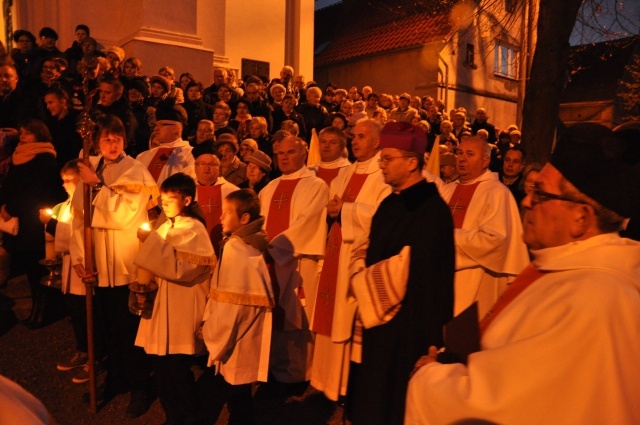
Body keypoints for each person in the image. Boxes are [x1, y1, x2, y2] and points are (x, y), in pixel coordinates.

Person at [406, 122, 640, 425]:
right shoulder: (560, 270)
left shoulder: (592, 299)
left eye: (541, 194)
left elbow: (499, 406)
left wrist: (429, 377)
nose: (527, 201)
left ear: (581, 217)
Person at [346, 122, 454, 425]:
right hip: (378, 320)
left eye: (387, 158)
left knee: (396, 405)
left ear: (411, 162)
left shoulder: (432, 210)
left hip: (410, 328)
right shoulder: (388, 203)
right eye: (381, 158)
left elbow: (434, 280)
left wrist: (434, 339)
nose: (381, 165)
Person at [71, 114, 159, 417]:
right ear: (96, 141)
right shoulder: (92, 167)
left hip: (123, 263)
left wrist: (97, 187)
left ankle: (140, 387)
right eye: (106, 138)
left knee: (129, 330)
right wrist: (82, 260)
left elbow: (124, 214)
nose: (112, 143)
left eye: (117, 138)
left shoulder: (133, 169)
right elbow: (79, 217)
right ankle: (116, 379)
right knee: (106, 329)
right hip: (99, 265)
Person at [310, 118, 391, 402]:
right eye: (353, 136)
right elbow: (334, 206)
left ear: (377, 141)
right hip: (336, 248)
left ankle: (345, 385)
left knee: (347, 318)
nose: (355, 141)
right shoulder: (347, 172)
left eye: (361, 136)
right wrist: (335, 210)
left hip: (357, 255)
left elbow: (385, 216)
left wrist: (346, 209)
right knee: (330, 314)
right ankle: (323, 380)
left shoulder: (384, 173)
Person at [134, 172, 215, 425]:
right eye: (162, 199)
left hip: (182, 307)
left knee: (177, 369)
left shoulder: (194, 229)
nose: (164, 204)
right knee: (161, 368)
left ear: (187, 200)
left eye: (170, 199)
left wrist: (151, 244)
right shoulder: (167, 225)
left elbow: (182, 270)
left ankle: (191, 418)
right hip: (162, 306)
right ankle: (173, 416)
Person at [258, 136, 329, 387]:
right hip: (269, 260)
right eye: (281, 153)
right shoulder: (269, 188)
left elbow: (307, 223)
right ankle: (271, 368)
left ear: (303, 154)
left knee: (296, 316)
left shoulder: (316, 185)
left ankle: (297, 374)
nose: (285, 157)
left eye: (290, 152)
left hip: (298, 260)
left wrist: (273, 248)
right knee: (272, 314)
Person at [200, 189, 274, 424]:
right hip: (243, 334)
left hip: (234, 334)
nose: (221, 218)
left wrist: (213, 333)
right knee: (240, 394)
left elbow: (233, 305)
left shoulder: (237, 249)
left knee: (236, 396)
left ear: (244, 219)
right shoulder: (247, 243)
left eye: (227, 213)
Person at [438, 136, 529, 317]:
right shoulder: (447, 190)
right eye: (460, 153)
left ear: (485, 161)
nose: (462, 158)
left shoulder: (497, 193)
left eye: (470, 154)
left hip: (476, 280)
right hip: (440, 280)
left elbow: (495, 241)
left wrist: (450, 237)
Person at [0, 120, 67, 328]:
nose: (23, 137)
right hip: (21, 222)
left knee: (39, 268)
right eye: (22, 134)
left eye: (28, 134)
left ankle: (44, 310)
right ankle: (37, 307)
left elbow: (36, 192)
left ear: (39, 135)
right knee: (30, 269)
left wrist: (11, 208)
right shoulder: (20, 156)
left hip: (34, 222)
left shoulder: (44, 160)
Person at [39, 160, 93, 382]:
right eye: (63, 181)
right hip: (68, 266)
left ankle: (94, 358)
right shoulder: (65, 204)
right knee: (75, 312)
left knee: (86, 313)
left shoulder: (83, 203)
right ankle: (82, 349)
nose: (64, 185)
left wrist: (50, 225)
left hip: (81, 266)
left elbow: (76, 234)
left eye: (69, 180)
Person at [136, 98, 195, 187]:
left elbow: (188, 186)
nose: (156, 129)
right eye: (156, 125)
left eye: (162, 125)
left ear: (176, 128)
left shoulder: (190, 154)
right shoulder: (143, 156)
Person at [193, 145, 240, 256]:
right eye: (202, 164)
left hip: (227, 251)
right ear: (195, 167)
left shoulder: (233, 192)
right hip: (194, 250)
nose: (206, 168)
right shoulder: (187, 192)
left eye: (212, 164)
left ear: (219, 167)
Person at [44, 88, 83, 169]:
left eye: (50, 102)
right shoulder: (50, 123)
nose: (48, 107)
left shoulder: (76, 120)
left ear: (62, 102)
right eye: (46, 103)